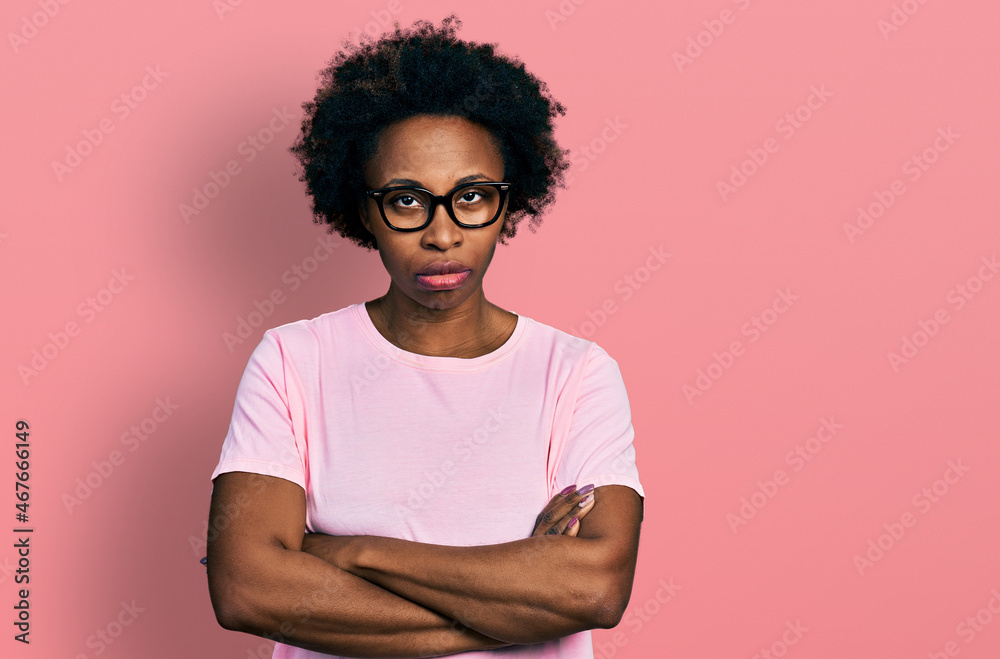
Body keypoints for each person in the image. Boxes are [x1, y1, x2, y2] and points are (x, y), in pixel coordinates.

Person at [206, 14, 645, 658]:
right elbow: (248, 589)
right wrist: (517, 599)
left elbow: (595, 591)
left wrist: (349, 552)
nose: (442, 234)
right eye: (408, 200)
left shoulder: (575, 373)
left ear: (510, 204)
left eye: (471, 196)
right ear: (364, 210)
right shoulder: (294, 362)